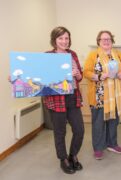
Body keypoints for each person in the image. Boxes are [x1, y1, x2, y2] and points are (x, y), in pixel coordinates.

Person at [83, 30, 121, 160]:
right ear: (98, 41)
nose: (106, 41)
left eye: (108, 39)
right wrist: (98, 76)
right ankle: (98, 148)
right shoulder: (93, 55)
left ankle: (112, 144)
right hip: (99, 96)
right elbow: (86, 72)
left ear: (112, 41)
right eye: (103, 39)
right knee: (98, 123)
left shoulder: (119, 55)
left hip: (116, 95)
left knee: (113, 122)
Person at [43, 26, 84, 174]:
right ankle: (63, 159)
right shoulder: (47, 56)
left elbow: (80, 77)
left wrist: (77, 73)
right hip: (56, 99)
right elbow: (38, 76)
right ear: (54, 40)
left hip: (73, 96)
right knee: (60, 132)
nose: (64, 41)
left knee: (79, 130)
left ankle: (73, 155)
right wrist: (16, 80)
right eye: (61, 38)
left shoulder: (73, 54)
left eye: (66, 38)